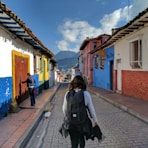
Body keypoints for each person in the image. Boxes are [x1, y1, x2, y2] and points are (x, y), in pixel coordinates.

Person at [62, 75, 99, 148]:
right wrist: (95, 121)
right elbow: (91, 109)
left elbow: (64, 108)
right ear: (82, 83)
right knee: (82, 140)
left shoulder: (68, 94)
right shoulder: (86, 94)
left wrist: (66, 116)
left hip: (71, 123)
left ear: (73, 83)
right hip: (82, 123)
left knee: (73, 142)